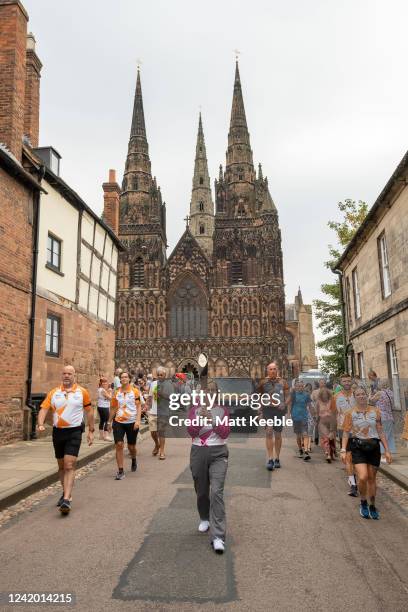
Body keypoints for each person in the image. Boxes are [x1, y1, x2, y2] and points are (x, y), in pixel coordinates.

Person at [37, 365, 94, 515]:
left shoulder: (82, 392)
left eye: (69, 373)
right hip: (58, 432)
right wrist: (41, 424)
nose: (66, 376)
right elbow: (44, 408)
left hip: (74, 431)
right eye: (64, 373)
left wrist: (91, 431)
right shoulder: (54, 392)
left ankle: (67, 499)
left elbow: (89, 412)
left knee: (69, 464)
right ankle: (65, 492)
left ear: (74, 375)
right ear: (61, 376)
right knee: (61, 466)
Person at [187, 380, 230, 554]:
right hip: (198, 451)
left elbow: (225, 432)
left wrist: (212, 420)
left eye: (213, 391)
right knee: (202, 490)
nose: (210, 393)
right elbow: (191, 431)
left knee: (216, 491)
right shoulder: (194, 410)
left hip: (218, 452)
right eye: (208, 391)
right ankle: (204, 517)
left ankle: (218, 536)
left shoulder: (223, 410)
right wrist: (200, 418)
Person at [341, 386, 392, 519]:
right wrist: (342, 449)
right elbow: (346, 433)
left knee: (371, 478)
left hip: (374, 446)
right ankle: (363, 502)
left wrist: (387, 450)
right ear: (354, 397)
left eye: (363, 394)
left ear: (367, 395)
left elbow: (380, 431)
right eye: (358, 394)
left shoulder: (376, 411)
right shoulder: (349, 413)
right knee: (363, 476)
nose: (361, 396)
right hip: (358, 447)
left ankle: (372, 505)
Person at [107, 371, 141, 480]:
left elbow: (139, 407)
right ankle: (120, 470)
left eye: (126, 377)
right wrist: (109, 422)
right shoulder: (116, 393)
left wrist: (138, 421)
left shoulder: (135, 392)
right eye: (122, 377)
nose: (124, 378)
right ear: (120, 379)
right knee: (119, 444)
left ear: (129, 379)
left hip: (131, 421)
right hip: (119, 421)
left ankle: (134, 458)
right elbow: (113, 408)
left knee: (131, 446)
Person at [258, 362, 289, 470]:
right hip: (267, 410)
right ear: (267, 370)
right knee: (269, 431)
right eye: (270, 369)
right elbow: (260, 396)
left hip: (279, 411)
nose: (272, 371)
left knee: (278, 434)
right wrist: (260, 410)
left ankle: (277, 458)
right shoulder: (263, 382)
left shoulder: (283, 382)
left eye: (274, 369)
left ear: (277, 370)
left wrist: (284, 404)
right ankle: (270, 459)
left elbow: (288, 396)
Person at [332, 373, 358, 496]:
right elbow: (333, 414)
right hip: (343, 429)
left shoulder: (357, 395)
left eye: (348, 381)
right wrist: (332, 430)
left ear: (351, 381)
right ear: (341, 383)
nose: (347, 383)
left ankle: (356, 476)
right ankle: (353, 484)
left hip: (358, 430)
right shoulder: (336, 396)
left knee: (356, 457)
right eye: (344, 381)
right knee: (348, 457)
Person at [370, 380, 396, 462]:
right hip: (390, 417)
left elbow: (371, 401)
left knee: (381, 436)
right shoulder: (391, 393)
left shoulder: (380, 393)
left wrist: (370, 395)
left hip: (381, 417)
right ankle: (389, 454)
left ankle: (383, 456)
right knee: (389, 436)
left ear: (381, 385)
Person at [289, 380, 312, 461]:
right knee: (298, 435)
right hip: (295, 417)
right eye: (298, 386)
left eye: (301, 386)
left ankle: (306, 451)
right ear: (295, 387)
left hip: (304, 417)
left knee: (305, 434)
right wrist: (289, 414)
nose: (300, 388)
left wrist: (314, 415)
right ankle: (300, 450)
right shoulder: (293, 395)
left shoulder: (306, 395)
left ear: (303, 387)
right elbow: (290, 404)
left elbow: (310, 406)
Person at [155, 366, 175, 460]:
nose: (159, 376)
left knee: (161, 431)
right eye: (158, 375)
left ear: (165, 375)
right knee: (153, 432)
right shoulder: (154, 383)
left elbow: (172, 397)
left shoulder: (169, 384)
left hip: (164, 411)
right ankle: (157, 444)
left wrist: (161, 394)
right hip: (153, 411)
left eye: (161, 375)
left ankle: (162, 451)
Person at [315, 386, 336, 462]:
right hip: (322, 422)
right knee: (325, 438)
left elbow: (334, 413)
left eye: (326, 394)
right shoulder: (318, 402)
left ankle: (333, 451)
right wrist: (316, 422)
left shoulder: (332, 401)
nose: (324, 396)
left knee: (331, 439)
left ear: (328, 394)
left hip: (332, 422)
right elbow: (317, 413)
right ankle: (328, 454)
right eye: (323, 394)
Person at [97, 377, 112, 441]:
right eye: (103, 382)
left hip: (101, 406)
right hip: (104, 407)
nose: (105, 383)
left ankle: (101, 436)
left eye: (106, 382)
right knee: (107, 421)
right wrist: (110, 391)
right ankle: (106, 436)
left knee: (102, 421)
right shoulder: (102, 390)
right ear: (101, 383)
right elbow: (110, 398)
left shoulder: (100, 389)